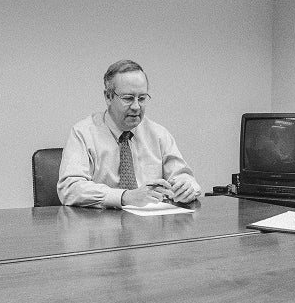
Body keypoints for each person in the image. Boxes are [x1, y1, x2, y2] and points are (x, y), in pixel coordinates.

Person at [58, 59, 201, 208]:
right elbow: (70, 188)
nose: (136, 106)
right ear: (108, 96)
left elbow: (183, 176)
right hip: (101, 227)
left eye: (142, 98)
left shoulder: (158, 134)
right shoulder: (83, 133)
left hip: (151, 226)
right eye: (128, 98)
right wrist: (125, 197)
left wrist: (187, 187)